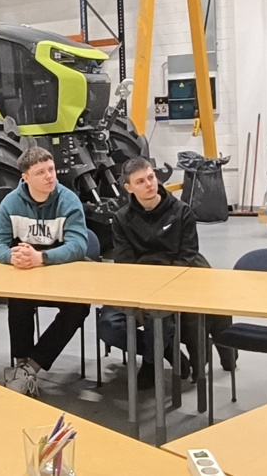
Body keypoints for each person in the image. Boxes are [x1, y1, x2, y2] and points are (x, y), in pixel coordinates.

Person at [99, 156, 233, 388]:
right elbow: (125, 262)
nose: (149, 184)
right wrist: (142, 296)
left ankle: (151, 364)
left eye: (151, 177)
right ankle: (169, 353)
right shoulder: (121, 219)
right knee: (109, 325)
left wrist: (159, 291)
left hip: (177, 282)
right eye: (140, 181)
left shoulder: (182, 212)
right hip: (138, 285)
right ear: (129, 188)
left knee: (158, 318)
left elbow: (187, 256)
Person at [0, 147, 89, 397]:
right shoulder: (11, 202)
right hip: (28, 279)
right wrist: (12, 257)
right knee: (18, 300)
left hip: (61, 280)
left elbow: (79, 245)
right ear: (26, 178)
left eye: (51, 169)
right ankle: (21, 363)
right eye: (41, 172)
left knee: (79, 307)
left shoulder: (69, 201)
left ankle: (30, 368)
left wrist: (42, 258)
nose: (49, 176)